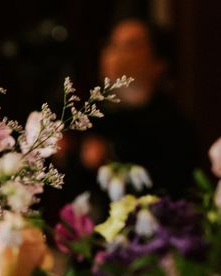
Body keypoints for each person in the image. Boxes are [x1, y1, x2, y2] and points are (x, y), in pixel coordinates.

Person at [43, 18, 200, 224]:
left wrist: (109, 157)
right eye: (112, 44)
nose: (115, 54)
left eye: (130, 46)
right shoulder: (91, 118)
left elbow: (172, 194)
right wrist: (67, 156)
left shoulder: (174, 127)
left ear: (159, 64)